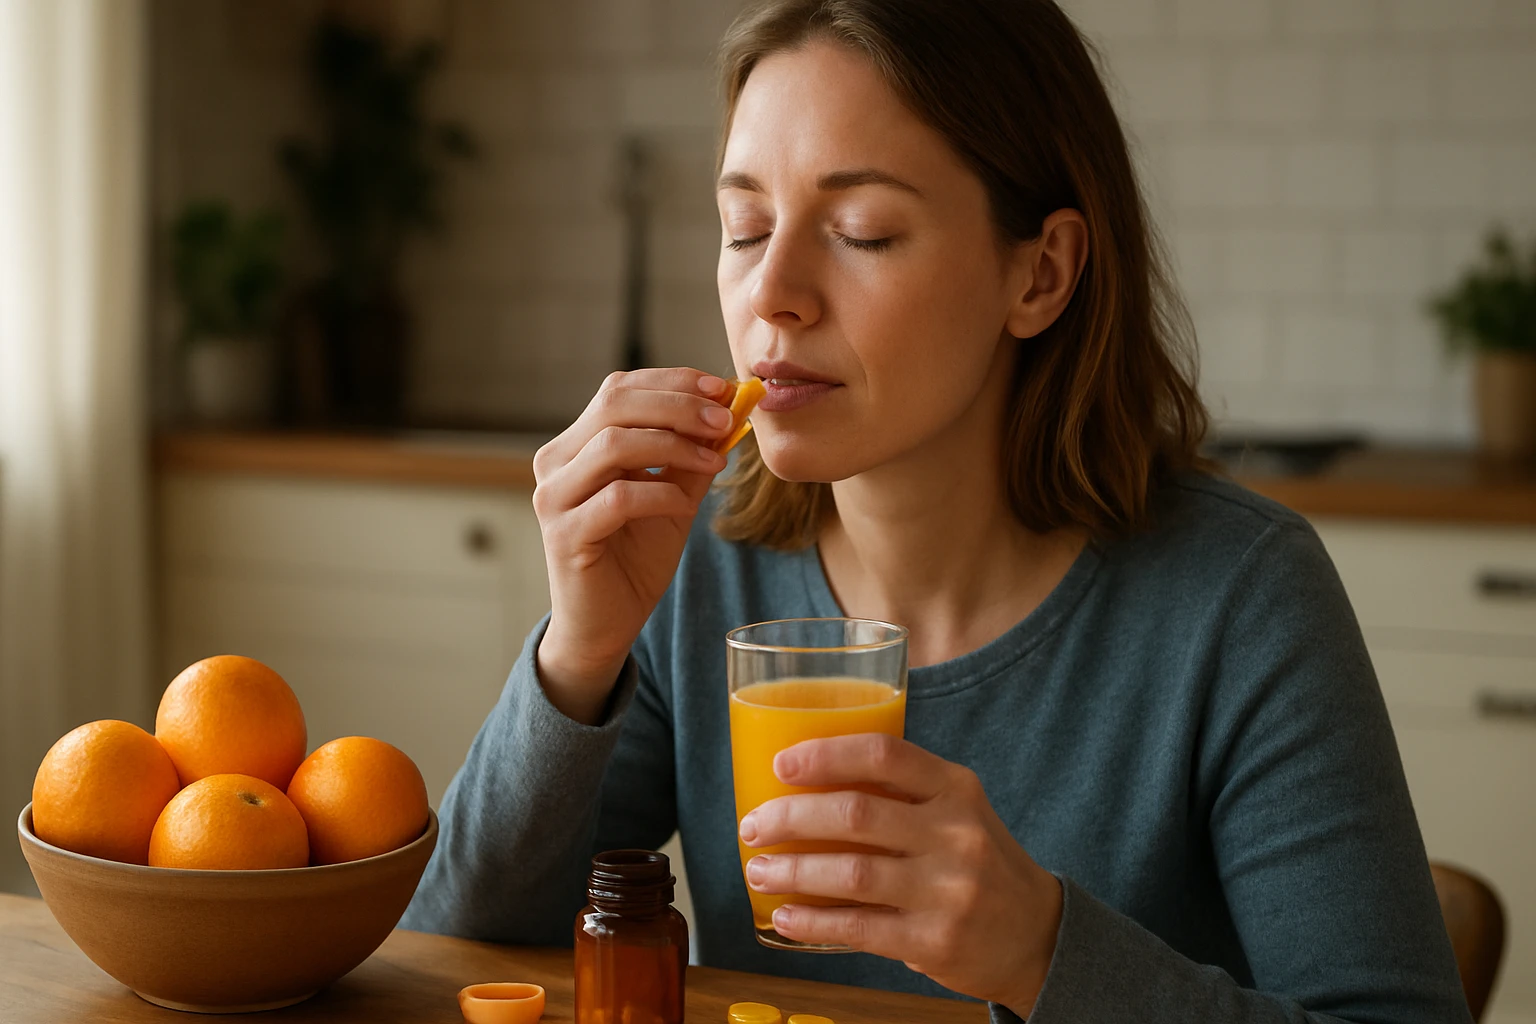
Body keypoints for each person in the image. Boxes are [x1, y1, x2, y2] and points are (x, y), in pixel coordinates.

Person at [402, 1, 1470, 1020]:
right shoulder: (698, 562)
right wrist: (577, 654)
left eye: (862, 231)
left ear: (1040, 275)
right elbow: (457, 952)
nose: (773, 291)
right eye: (744, 226)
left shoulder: (1242, 597)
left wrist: (1040, 950)